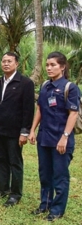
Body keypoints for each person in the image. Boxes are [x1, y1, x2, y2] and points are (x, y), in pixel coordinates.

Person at [28, 52, 80, 221]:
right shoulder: (44, 86)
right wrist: (32, 130)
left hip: (61, 140)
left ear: (62, 67)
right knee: (45, 174)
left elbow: (73, 114)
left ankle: (57, 210)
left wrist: (65, 136)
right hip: (44, 138)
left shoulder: (69, 87)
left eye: (53, 65)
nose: (49, 68)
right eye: (47, 65)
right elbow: (40, 109)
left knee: (60, 176)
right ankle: (45, 205)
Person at [0, 52, 34, 207]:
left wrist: (24, 132)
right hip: (0, 129)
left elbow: (28, 110)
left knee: (15, 162)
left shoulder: (25, 83)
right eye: (3, 61)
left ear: (17, 64)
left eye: (9, 61)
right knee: (0, 160)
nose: (6, 64)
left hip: (15, 132)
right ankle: (3, 189)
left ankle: (15, 194)